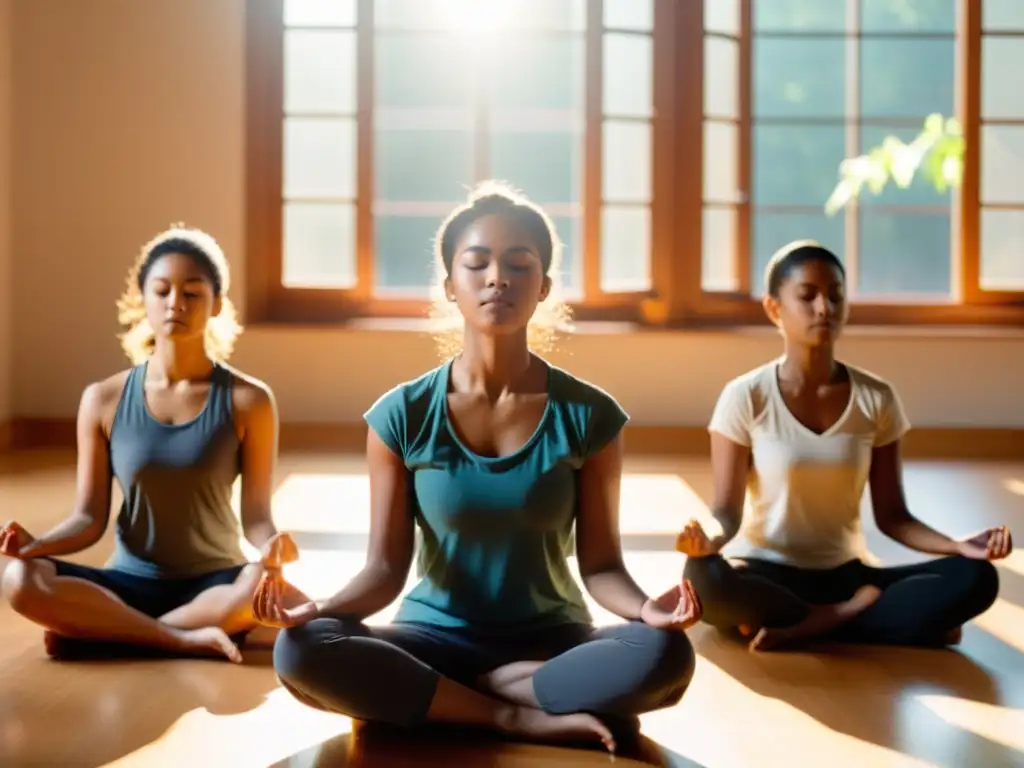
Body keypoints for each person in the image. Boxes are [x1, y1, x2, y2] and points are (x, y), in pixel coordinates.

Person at [255, 182, 700, 755]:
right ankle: (511, 715)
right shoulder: (401, 415)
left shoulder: (590, 415)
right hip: (433, 638)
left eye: (520, 264)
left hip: (553, 641)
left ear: (543, 287)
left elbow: (602, 565)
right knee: (300, 648)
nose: (498, 278)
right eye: (478, 263)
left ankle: (451, 699)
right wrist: (317, 609)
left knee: (666, 656)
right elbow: (385, 570)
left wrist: (647, 609)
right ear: (450, 285)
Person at [679, 240, 1010, 652]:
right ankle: (861, 619)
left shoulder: (877, 397)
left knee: (977, 577)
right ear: (773, 309)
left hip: (847, 576)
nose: (825, 308)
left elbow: (893, 516)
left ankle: (817, 622)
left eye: (835, 296)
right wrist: (705, 538)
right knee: (703, 579)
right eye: (808, 296)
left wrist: (958, 545)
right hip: (768, 573)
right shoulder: (746, 396)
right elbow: (725, 513)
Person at [0, 225, 296, 662]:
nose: (176, 302)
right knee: (19, 578)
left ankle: (107, 634)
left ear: (216, 306)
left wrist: (273, 544)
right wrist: (33, 546)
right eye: (162, 291)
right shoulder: (102, 399)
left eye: (193, 293)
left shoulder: (249, 400)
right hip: (127, 585)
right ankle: (178, 639)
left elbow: (256, 517)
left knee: (261, 586)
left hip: (213, 585)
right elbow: (88, 518)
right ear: (144, 302)